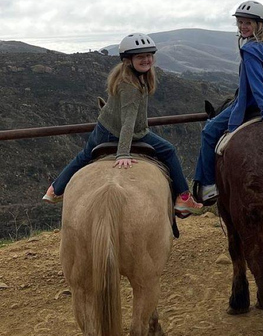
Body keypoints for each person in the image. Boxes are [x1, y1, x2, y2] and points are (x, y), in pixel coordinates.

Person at [43, 33, 204, 218]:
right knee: (169, 150)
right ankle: (183, 197)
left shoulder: (129, 76)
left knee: (85, 155)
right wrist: (123, 153)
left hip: (103, 129)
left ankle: (55, 189)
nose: (146, 60)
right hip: (126, 133)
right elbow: (128, 122)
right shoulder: (130, 86)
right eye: (140, 57)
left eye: (148, 55)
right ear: (128, 60)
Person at [193, 0, 263, 203]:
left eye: (248, 23)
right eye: (240, 23)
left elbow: (255, 84)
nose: (243, 27)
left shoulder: (251, 50)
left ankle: (209, 185)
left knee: (210, 130)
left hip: (254, 105)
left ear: (259, 25)